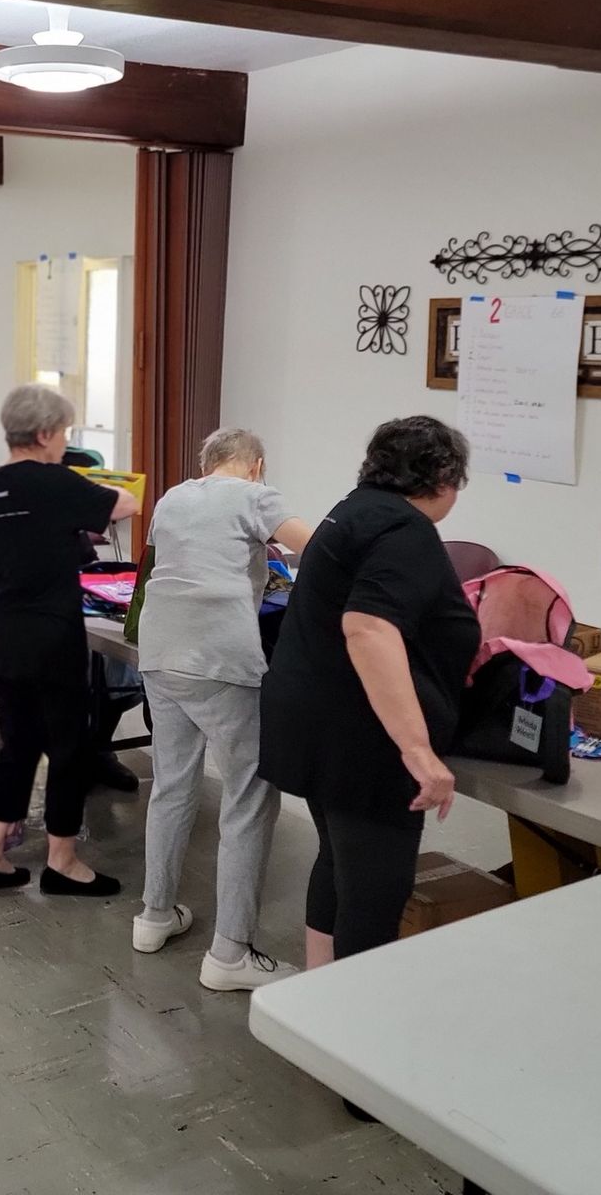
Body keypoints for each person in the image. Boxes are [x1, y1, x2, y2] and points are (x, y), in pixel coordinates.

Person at [261, 416, 478, 984]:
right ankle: (352, 1031)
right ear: (444, 479)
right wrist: (417, 749)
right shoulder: (405, 532)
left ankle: (316, 994)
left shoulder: (352, 511)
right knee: (375, 891)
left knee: (338, 859)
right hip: (362, 742)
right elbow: (369, 628)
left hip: (314, 722)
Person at [133, 428, 315, 991]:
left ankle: (154, 916)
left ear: (205, 464)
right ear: (256, 465)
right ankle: (230, 954)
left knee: (172, 786)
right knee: (249, 797)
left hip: (159, 652)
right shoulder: (255, 495)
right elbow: (316, 546)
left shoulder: (171, 498)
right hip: (219, 658)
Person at [0, 384, 140, 897]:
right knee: (69, 749)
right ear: (43, 434)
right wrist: (87, 484)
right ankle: (62, 862)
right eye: (63, 432)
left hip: (6, 638)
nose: (65, 440)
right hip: (52, 639)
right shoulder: (57, 481)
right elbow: (125, 503)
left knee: (19, 746)